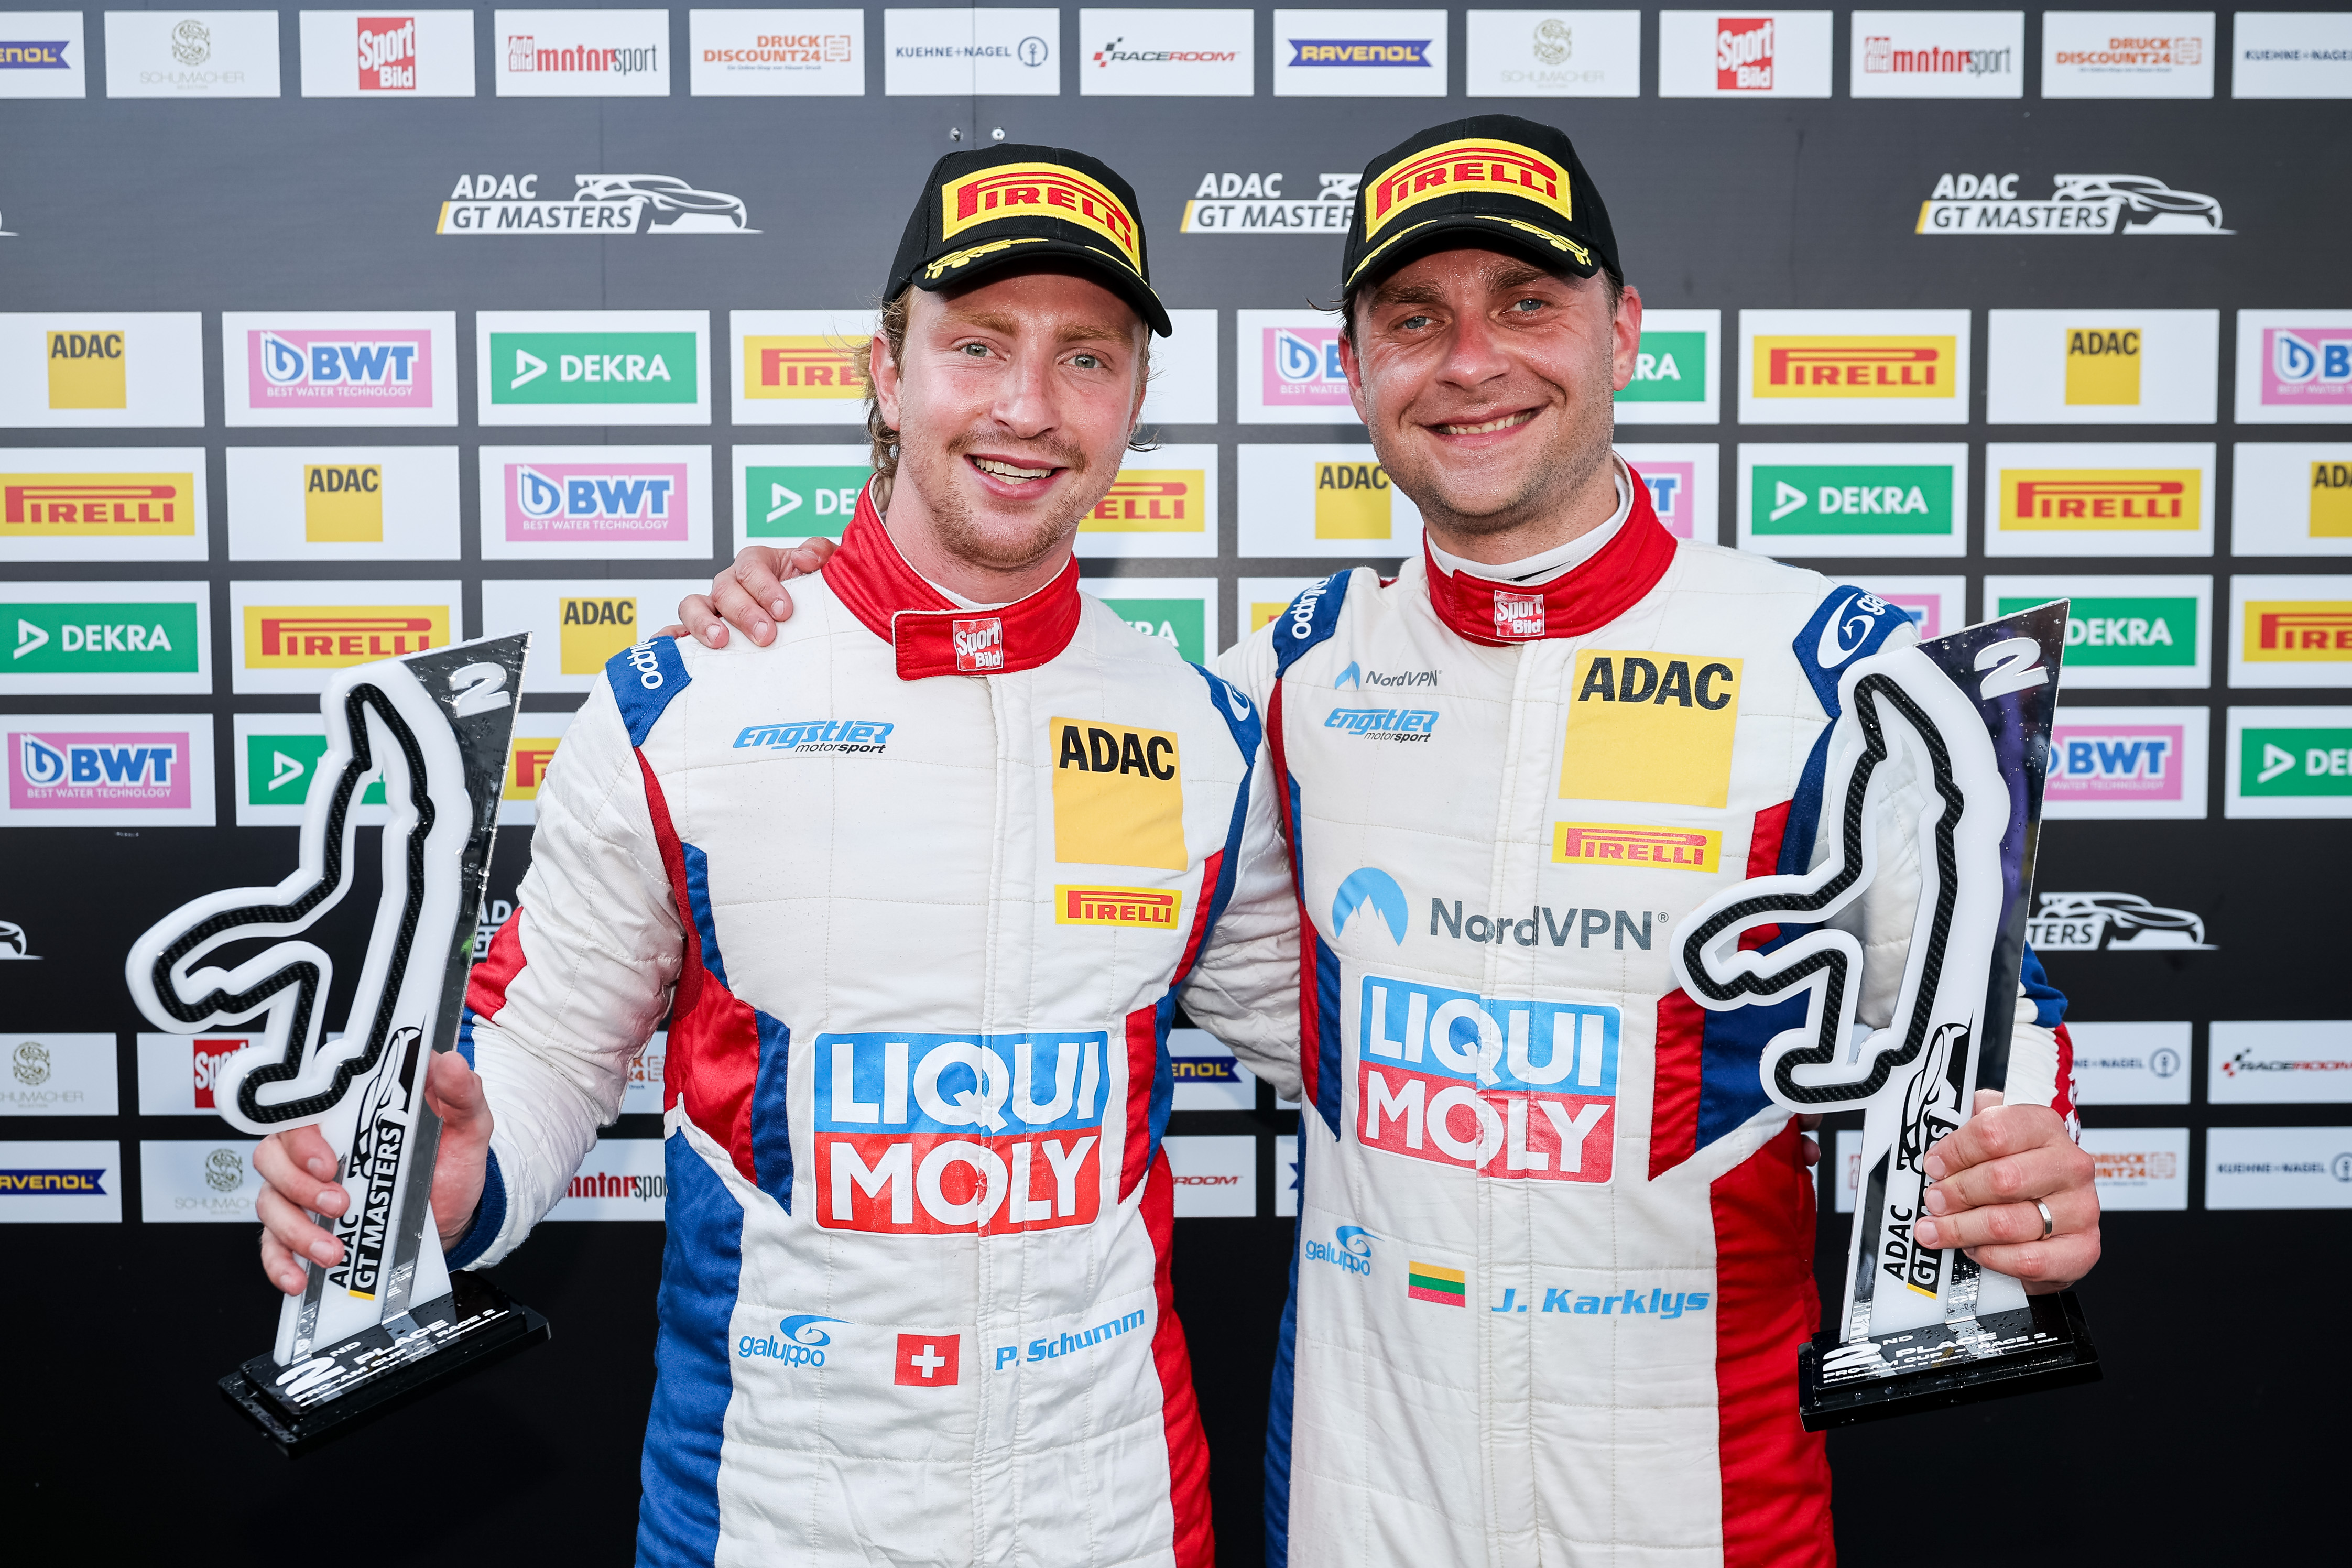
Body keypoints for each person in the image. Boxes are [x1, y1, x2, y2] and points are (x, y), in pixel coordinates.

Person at [674, 116, 2102, 1567]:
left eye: (1526, 305)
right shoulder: (1275, 688)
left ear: (1624, 332)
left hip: (1707, 1500)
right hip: (1362, 1503)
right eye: (1415, 320)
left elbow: (1985, 1018)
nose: (1471, 362)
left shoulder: (1837, 670)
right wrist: (809, 618)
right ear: (1353, 369)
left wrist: (2023, 1160)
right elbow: (990, 764)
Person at [251, 144, 1297, 1567]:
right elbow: (549, 1045)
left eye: (1088, 358)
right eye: (977, 345)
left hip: (1115, 1515)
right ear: (887, 374)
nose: (1029, 406)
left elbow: (1356, 1037)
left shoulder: (1204, 730)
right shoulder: (686, 700)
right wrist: (457, 1187)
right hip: (767, 1516)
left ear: (1133, 401)